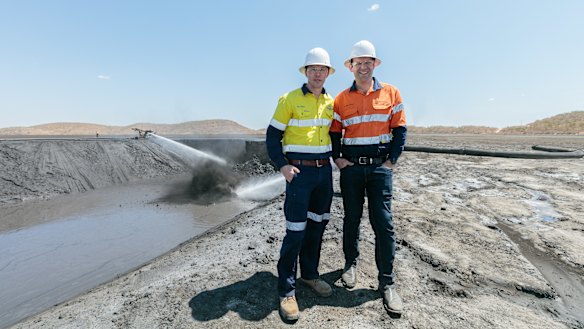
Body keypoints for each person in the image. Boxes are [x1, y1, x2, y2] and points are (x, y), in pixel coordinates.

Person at [329, 40, 407, 315]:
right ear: (351, 67)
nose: (363, 67)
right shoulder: (341, 98)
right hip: (351, 170)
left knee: (383, 224)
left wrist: (391, 162)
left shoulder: (391, 93)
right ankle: (350, 266)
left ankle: (386, 283)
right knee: (351, 219)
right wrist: (338, 158)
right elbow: (335, 132)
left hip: (379, 171)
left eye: (367, 62)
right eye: (357, 63)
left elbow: (400, 130)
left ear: (374, 64)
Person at [265, 47, 336, 321]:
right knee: (295, 232)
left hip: (324, 175)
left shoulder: (332, 103)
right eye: (313, 69)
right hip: (299, 175)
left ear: (328, 74)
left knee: (317, 228)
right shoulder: (289, 99)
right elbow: (272, 137)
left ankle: (309, 276)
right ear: (306, 72)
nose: (318, 74)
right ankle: (286, 290)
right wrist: (282, 166)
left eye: (322, 69)